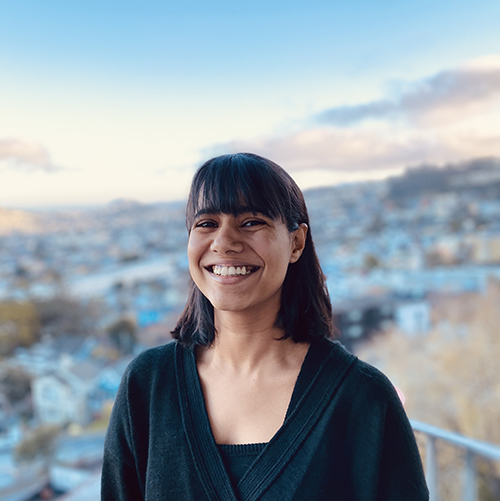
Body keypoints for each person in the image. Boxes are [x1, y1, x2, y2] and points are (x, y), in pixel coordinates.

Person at [101, 153, 429, 500]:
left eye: (252, 221)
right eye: (207, 223)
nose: (224, 242)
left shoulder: (362, 400)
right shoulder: (149, 385)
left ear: (296, 243)